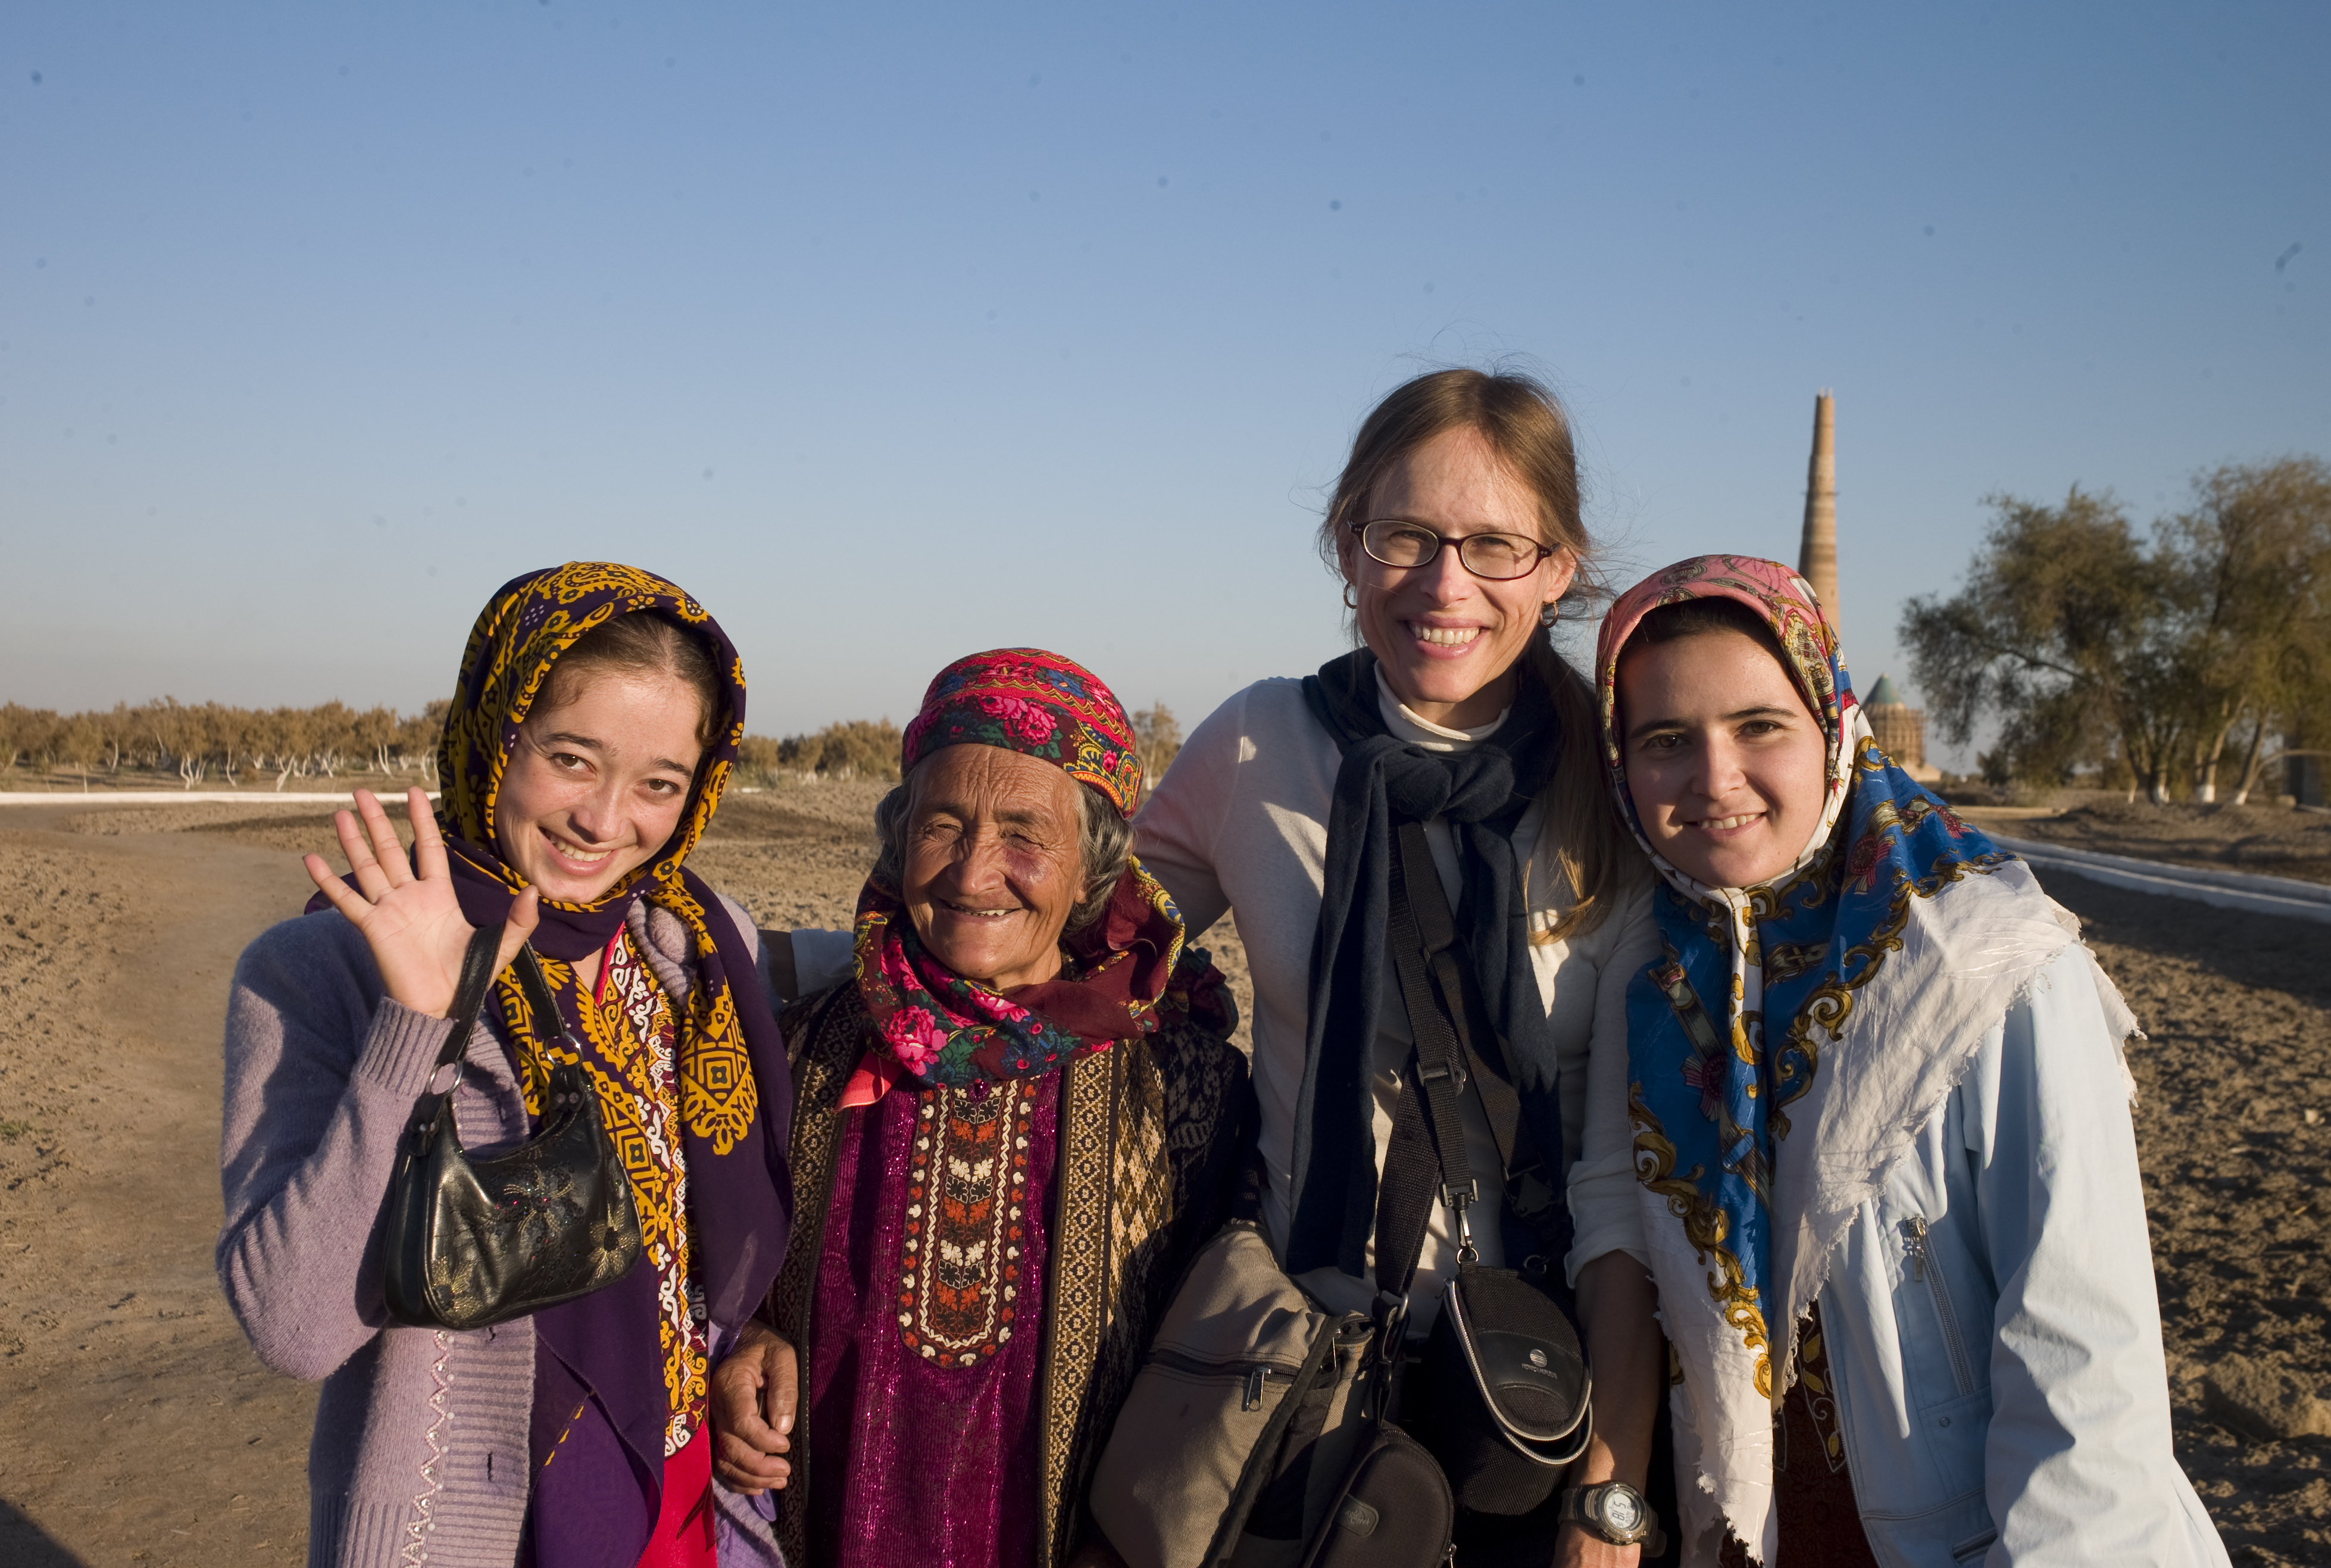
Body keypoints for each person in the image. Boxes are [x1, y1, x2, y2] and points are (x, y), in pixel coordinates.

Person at [1591, 554, 2229, 1566]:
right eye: (1666, 740)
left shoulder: (1991, 969)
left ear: (1835, 730)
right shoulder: (1665, 981)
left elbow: (2082, 1377)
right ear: (1619, 764)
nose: (1715, 779)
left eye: (1760, 726)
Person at [1130, 367, 1667, 1566]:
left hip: (1549, 1388)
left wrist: (1607, 1483)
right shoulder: (1258, 744)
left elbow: (1625, 1172)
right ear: (1344, 543)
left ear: (1557, 566)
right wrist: (765, 965)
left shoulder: (1620, 789)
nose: (1442, 585)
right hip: (1302, 1374)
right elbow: (1066, 953)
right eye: (1403, 536)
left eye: (1492, 544)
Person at [217, 563, 793, 1568]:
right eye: (572, 759)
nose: (606, 820)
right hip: (473, 1534)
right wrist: (415, 1027)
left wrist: (742, 1343)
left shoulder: (700, 950)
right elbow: (295, 1328)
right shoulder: (318, 968)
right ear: (497, 731)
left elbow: (693, 1254)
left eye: (660, 783)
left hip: (690, 1505)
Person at [708, 649, 1251, 1568]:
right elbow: (706, 1273)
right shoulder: (797, 1051)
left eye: (1025, 836)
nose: (972, 871)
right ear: (898, 836)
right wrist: (737, 1348)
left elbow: (1215, 1366)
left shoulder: (1186, 1083)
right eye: (943, 824)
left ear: (1093, 867)